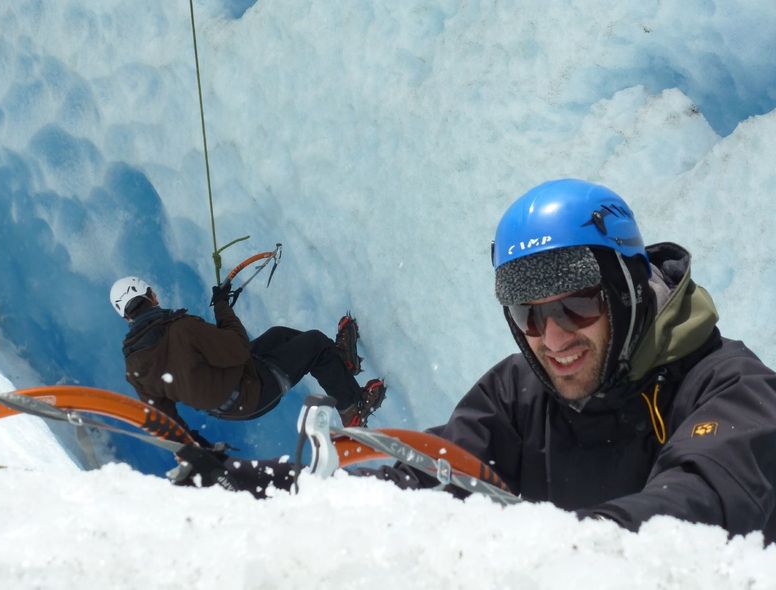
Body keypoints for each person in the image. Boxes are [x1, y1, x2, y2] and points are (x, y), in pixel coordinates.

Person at [168, 179, 776, 543]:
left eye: (577, 304)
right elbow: (430, 477)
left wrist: (565, 555)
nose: (553, 337)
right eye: (528, 314)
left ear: (628, 286)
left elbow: (701, 502)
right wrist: (271, 485)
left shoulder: (732, 390)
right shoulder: (519, 394)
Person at [109, 277, 386, 431]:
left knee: (279, 335)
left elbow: (163, 417)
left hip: (229, 403)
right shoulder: (182, 329)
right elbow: (237, 349)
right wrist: (222, 307)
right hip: (252, 393)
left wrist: (194, 451)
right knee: (313, 343)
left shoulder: (135, 364)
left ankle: (339, 364)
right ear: (153, 296)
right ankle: (353, 409)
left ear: (126, 318)